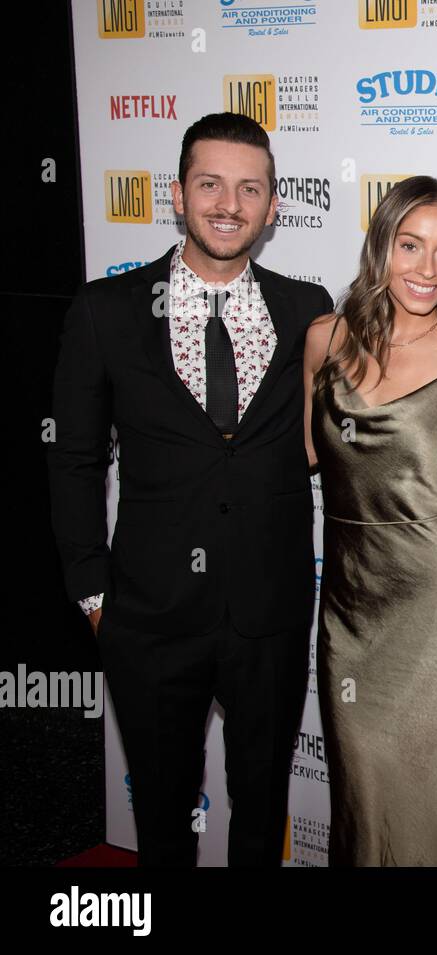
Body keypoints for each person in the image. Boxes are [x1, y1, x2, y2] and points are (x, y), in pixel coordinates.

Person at [48, 112, 333, 865]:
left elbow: (336, 440)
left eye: (250, 188)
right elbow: (74, 460)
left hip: (268, 617)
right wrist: (94, 597)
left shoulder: (308, 310)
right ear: (177, 195)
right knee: (164, 818)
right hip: (147, 619)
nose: (228, 204)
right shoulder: (106, 312)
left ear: (274, 206)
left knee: (261, 804)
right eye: (210, 184)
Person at [303, 175, 437, 866]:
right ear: (381, 247)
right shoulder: (324, 340)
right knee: (367, 797)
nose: (427, 270)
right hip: (350, 613)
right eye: (410, 246)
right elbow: (302, 458)